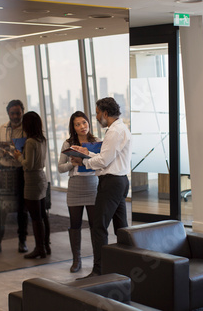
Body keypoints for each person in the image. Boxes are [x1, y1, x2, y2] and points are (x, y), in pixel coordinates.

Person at [71, 97, 131, 277]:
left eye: (97, 113)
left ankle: (99, 270)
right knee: (121, 228)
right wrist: (87, 153)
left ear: (105, 113)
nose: (96, 117)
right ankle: (125, 266)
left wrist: (83, 161)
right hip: (120, 182)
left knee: (98, 226)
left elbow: (104, 160)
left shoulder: (114, 132)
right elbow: (107, 156)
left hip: (111, 183)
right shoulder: (120, 128)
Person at [58, 111, 100, 273]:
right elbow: (60, 168)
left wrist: (84, 160)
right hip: (75, 186)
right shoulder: (67, 144)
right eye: (77, 124)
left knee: (94, 225)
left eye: (84, 122)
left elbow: (102, 163)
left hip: (92, 186)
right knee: (74, 224)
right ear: (73, 127)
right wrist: (72, 164)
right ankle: (77, 260)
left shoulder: (96, 142)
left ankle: (98, 260)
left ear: (88, 123)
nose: (82, 126)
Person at [0, 100, 28, 256]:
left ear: (23, 112)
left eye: (18, 112)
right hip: (4, 171)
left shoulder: (27, 130)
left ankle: (22, 241)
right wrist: (1, 152)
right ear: (8, 114)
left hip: (20, 171)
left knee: (22, 209)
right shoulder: (1, 129)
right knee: (0, 210)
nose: (16, 116)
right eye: (13, 113)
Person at [14, 111, 50, 259]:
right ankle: (46, 245)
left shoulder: (30, 142)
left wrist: (19, 157)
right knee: (43, 215)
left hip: (32, 180)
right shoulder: (42, 139)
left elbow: (27, 165)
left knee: (35, 218)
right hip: (41, 177)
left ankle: (39, 248)